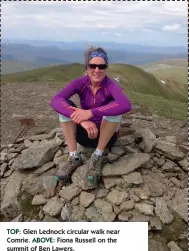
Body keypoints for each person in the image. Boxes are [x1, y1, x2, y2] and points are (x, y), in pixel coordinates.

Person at [50, 46, 132, 185]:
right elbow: (56, 100)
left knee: (116, 108)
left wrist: (91, 113)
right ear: (87, 67)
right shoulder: (80, 83)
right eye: (92, 65)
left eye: (101, 66)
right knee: (66, 105)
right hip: (84, 135)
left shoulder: (110, 85)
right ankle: (74, 157)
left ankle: (97, 156)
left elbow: (126, 104)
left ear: (106, 68)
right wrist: (82, 120)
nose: (97, 70)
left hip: (105, 138)